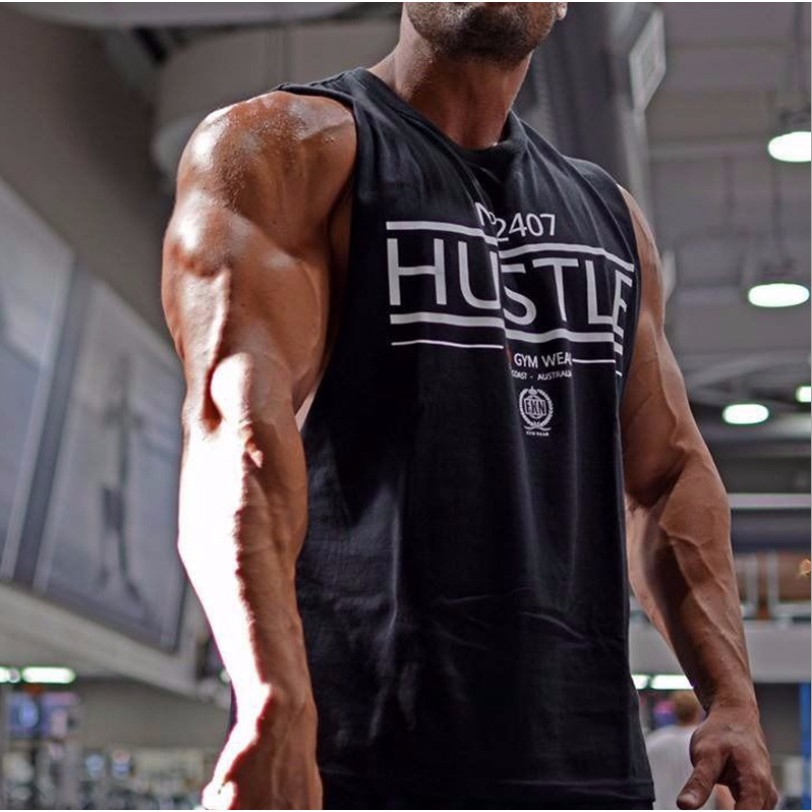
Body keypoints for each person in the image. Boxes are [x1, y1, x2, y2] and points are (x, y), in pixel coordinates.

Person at [161, 3, 778, 809]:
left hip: (585, 768)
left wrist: (732, 697)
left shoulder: (610, 219)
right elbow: (235, 425)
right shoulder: (287, 151)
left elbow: (668, 478)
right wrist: (269, 698)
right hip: (356, 762)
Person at [647, 692, 736, 811]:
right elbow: (722, 793)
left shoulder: (652, 742)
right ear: (698, 712)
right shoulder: (708, 743)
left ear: (674, 711)